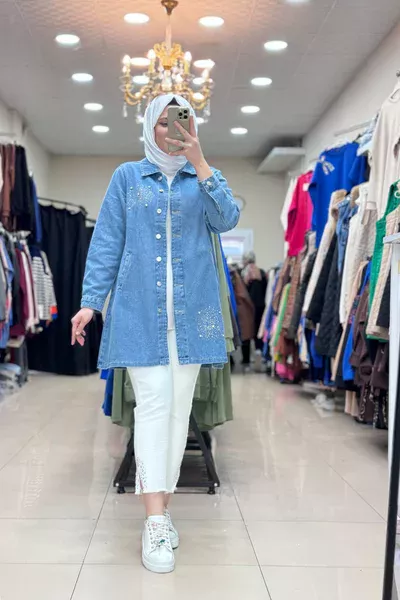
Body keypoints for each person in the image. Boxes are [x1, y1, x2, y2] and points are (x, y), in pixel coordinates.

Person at [70, 94, 239, 574]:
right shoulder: (127, 177)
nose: (171, 130)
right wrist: (90, 302)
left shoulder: (204, 178)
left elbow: (227, 219)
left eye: (181, 122)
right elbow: (107, 241)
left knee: (178, 415)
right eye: (163, 123)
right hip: (139, 315)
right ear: (149, 126)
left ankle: (162, 510)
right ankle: (154, 520)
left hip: (193, 319)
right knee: (152, 411)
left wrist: (200, 162)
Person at [241, 252, 268, 371]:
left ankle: (247, 358)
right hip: (260, 305)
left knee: (247, 330)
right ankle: (259, 352)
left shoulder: (243, 273)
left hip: (247, 307)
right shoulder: (261, 272)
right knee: (258, 330)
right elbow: (266, 289)